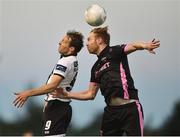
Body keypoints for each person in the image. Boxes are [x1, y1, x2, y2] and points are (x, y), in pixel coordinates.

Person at [52, 26, 160, 136]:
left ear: (99, 40)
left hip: (130, 109)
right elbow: (90, 94)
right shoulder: (95, 68)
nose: (87, 44)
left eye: (89, 39)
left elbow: (133, 45)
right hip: (111, 112)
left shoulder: (114, 51)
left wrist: (145, 46)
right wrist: (67, 94)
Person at [13, 30, 84, 136]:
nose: (60, 42)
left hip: (56, 107)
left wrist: (27, 93)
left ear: (71, 48)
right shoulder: (71, 60)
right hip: (60, 107)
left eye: (64, 41)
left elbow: (52, 86)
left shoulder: (65, 61)